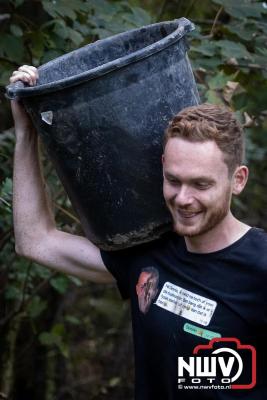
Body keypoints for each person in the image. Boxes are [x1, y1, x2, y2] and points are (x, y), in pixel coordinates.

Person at [9, 65, 267, 399]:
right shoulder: (149, 252)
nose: (183, 198)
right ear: (162, 166)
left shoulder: (261, 266)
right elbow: (35, 241)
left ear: (238, 179)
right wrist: (26, 134)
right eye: (174, 180)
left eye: (201, 184)